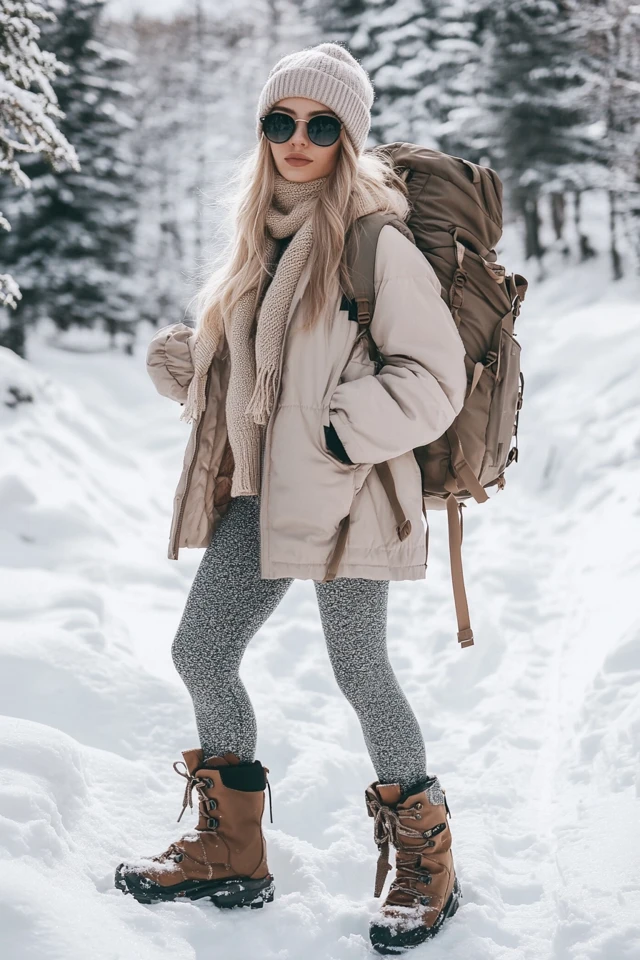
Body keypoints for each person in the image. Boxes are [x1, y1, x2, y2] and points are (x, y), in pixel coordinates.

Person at [115, 42, 467, 953]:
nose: (297, 140)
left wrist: (346, 430)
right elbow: (263, 375)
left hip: (350, 493)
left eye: (319, 125)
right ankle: (232, 849)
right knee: (202, 650)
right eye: (280, 122)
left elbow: (436, 376)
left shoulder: (372, 239)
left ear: (347, 137)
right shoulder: (259, 236)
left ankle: (425, 858)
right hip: (259, 496)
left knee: (360, 671)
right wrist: (195, 367)